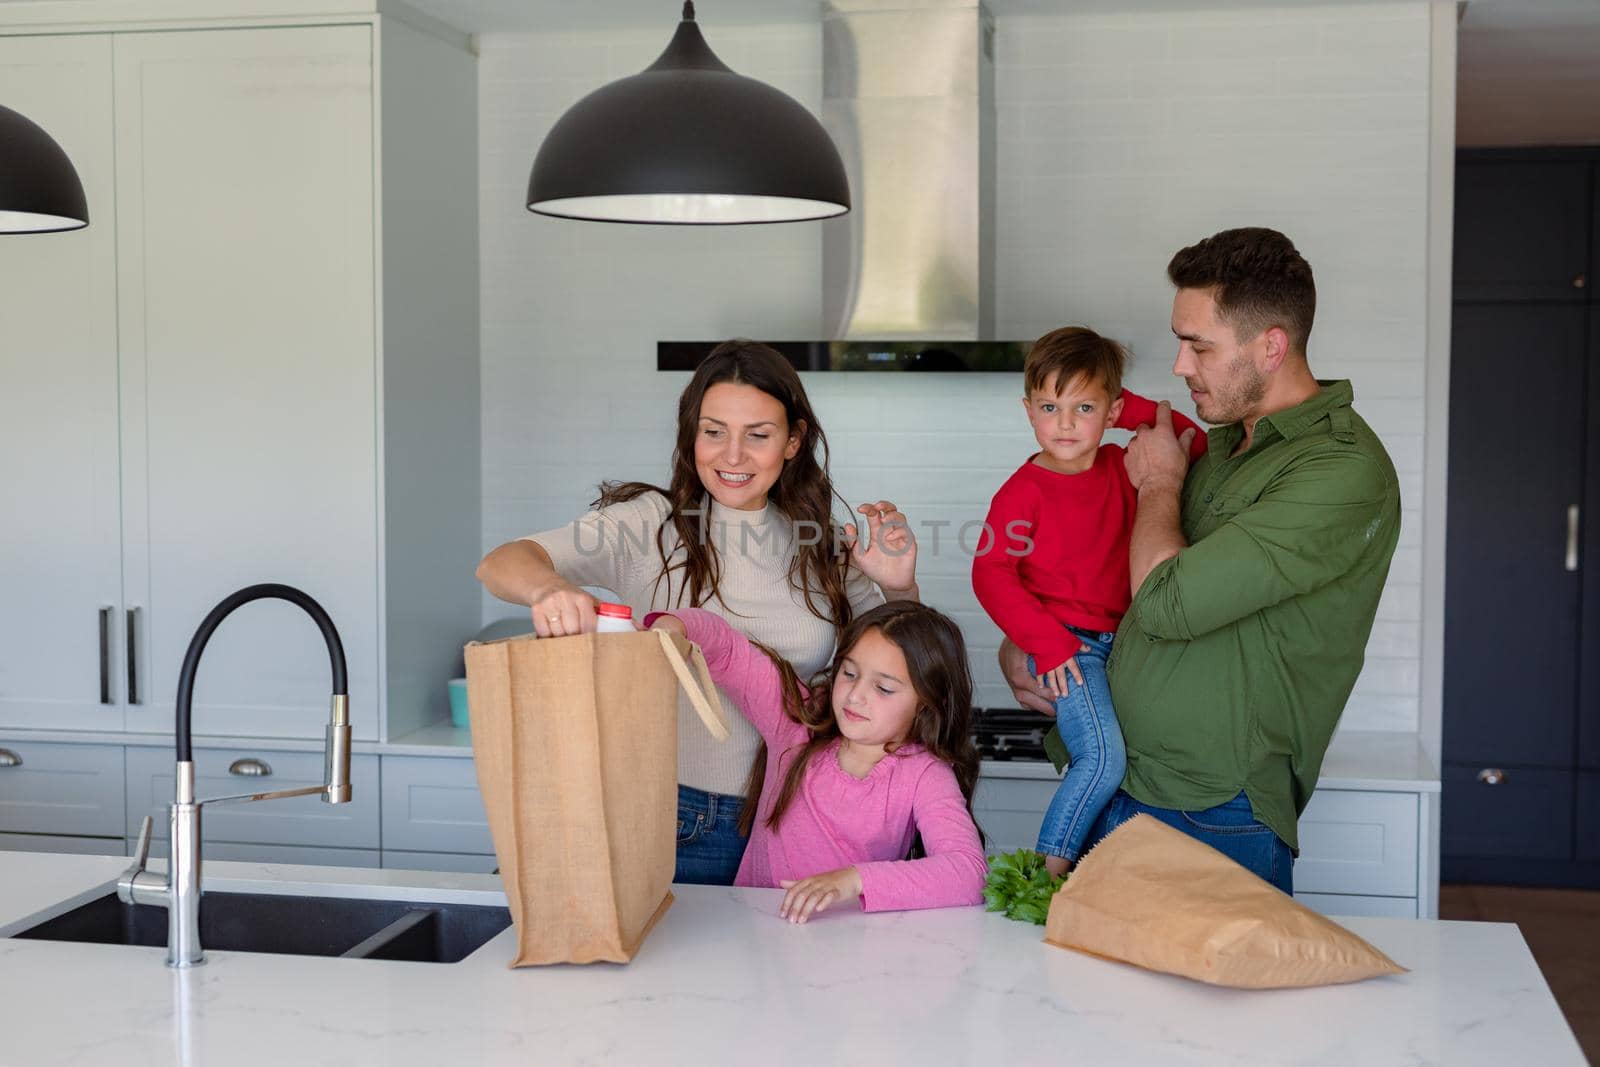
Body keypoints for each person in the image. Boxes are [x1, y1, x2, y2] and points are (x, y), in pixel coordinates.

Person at [998, 228, 1401, 894]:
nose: (1181, 365)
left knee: (1205, 1000)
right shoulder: (1219, 449)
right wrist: (1028, 642)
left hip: (1213, 810)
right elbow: (1108, 582)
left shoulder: (1339, 469)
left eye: (1200, 345)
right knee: (1081, 1000)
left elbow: (1168, 599)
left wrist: (1159, 483)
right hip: (1116, 783)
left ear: (1271, 345)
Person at [476, 339, 920, 887]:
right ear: (692, 434)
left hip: (788, 817)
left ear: (793, 441)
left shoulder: (819, 543)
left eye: (757, 435)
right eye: (714, 432)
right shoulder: (651, 524)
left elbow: (901, 668)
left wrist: (899, 587)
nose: (732, 456)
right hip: (661, 812)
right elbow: (502, 562)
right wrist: (547, 590)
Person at [972, 326, 1205, 877]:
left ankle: (1098, 879)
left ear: (1114, 411)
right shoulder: (1020, 492)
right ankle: (1043, 877)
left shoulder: (1125, 468)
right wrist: (1049, 647)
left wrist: (1126, 413)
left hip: (1125, 647)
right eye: (1050, 406)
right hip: (1063, 647)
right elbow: (990, 574)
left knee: (1132, 761)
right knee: (1101, 760)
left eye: (1084, 407)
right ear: (1029, 412)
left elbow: (1193, 437)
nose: (1066, 423)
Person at [646, 601, 986, 923]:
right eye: (850, 674)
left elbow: (968, 872)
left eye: (883, 688)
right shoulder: (797, 724)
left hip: (850, 946)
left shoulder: (925, 774)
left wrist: (853, 880)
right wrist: (678, 626)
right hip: (754, 933)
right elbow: (730, 650)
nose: (855, 696)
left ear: (927, 703)